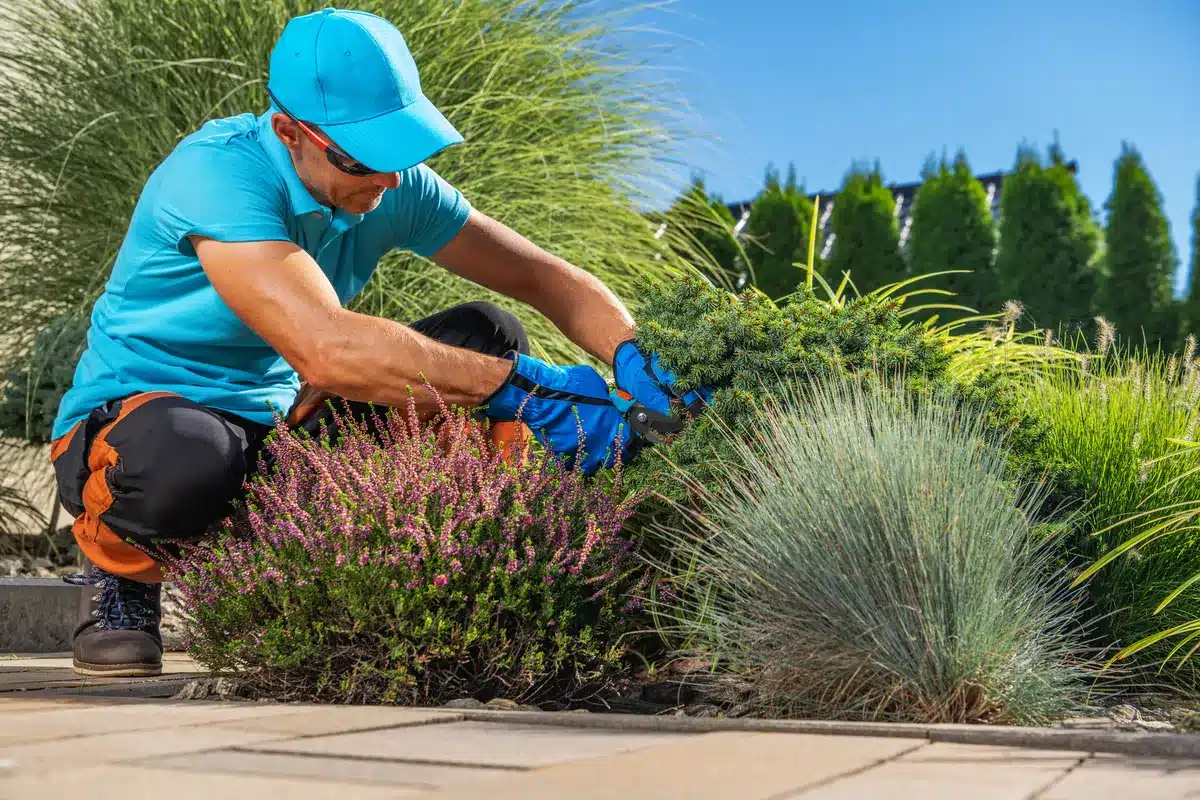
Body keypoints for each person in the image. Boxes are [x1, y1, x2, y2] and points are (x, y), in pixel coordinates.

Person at [46, 7, 710, 678]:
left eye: (402, 151)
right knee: (186, 455)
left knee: (488, 333)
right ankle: (118, 572)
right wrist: (526, 390)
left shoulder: (386, 180)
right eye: (367, 158)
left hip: (281, 427)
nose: (390, 180)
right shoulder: (217, 177)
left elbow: (541, 277)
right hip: (139, 428)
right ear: (288, 133)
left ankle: (461, 568)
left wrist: (636, 355)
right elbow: (326, 348)